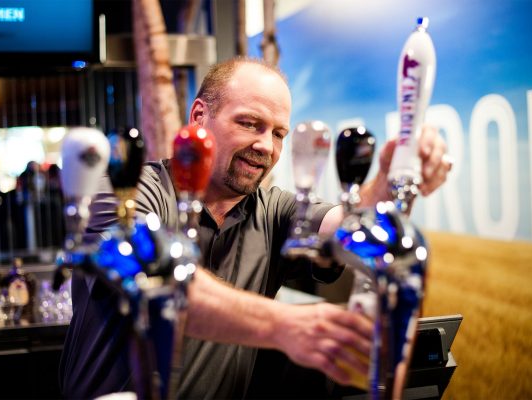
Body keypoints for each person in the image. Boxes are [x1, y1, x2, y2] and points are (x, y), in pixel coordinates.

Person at [59, 57, 452, 399]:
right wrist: (284, 325)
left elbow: (349, 225)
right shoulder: (130, 192)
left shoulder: (274, 211)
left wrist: (395, 172)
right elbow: (156, 283)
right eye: (250, 123)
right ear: (199, 117)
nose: (266, 145)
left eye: (278, 133)